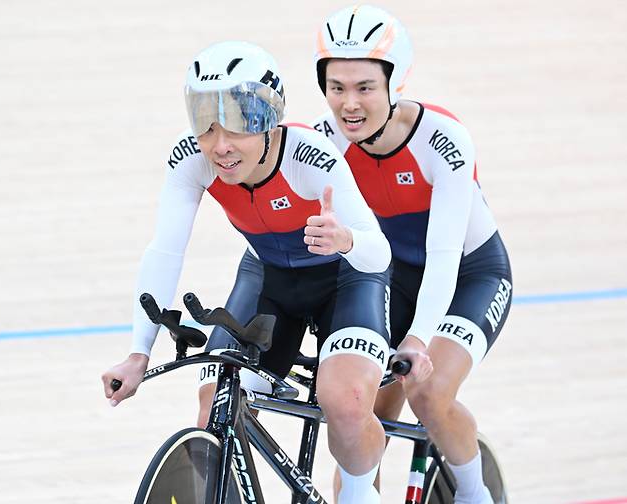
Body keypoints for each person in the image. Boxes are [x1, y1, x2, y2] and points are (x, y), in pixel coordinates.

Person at [101, 40, 394, 504]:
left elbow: (378, 255)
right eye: (205, 124)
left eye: (238, 126)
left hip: (346, 279)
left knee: (345, 401)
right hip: (270, 280)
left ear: (269, 120)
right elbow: (164, 252)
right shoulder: (191, 160)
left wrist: (347, 241)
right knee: (212, 402)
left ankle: (359, 495)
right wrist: (138, 353)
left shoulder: (309, 156)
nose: (220, 146)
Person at [312, 5, 513, 504]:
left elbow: (444, 255)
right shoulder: (324, 142)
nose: (348, 104)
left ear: (394, 83)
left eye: (363, 88)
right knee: (364, 413)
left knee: (427, 391)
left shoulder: (443, 141)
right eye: (337, 88)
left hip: (470, 274)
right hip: (396, 278)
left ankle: (473, 495)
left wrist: (419, 341)